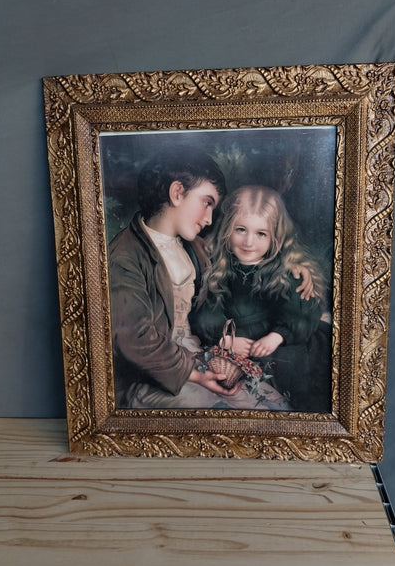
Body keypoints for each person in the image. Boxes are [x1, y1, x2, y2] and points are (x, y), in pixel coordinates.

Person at [108, 148, 291, 411]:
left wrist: (296, 270)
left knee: (274, 406)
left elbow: (242, 273)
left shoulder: (197, 249)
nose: (208, 219)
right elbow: (133, 338)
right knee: (223, 414)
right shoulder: (125, 257)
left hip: (201, 358)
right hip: (152, 378)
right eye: (207, 203)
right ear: (177, 193)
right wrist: (197, 374)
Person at [190, 184, 332, 413]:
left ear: (275, 237)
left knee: (293, 372)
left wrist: (277, 336)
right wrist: (224, 339)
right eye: (241, 230)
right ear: (227, 229)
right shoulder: (218, 267)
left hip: (281, 342)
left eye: (261, 234)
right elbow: (207, 310)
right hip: (239, 342)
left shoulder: (287, 270)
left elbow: (302, 311)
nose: (248, 242)